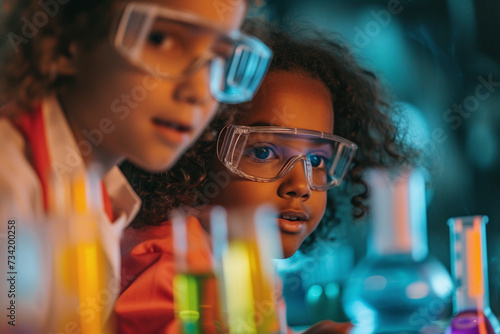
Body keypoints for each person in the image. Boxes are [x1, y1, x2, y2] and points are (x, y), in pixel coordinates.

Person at [116, 21, 416, 333]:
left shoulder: (240, 259)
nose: (300, 186)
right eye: (263, 153)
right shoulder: (172, 266)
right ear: (196, 153)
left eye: (316, 160)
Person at [0, 0, 271, 331]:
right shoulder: (10, 184)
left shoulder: (96, 192)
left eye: (221, 60)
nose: (199, 91)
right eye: (160, 40)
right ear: (63, 44)